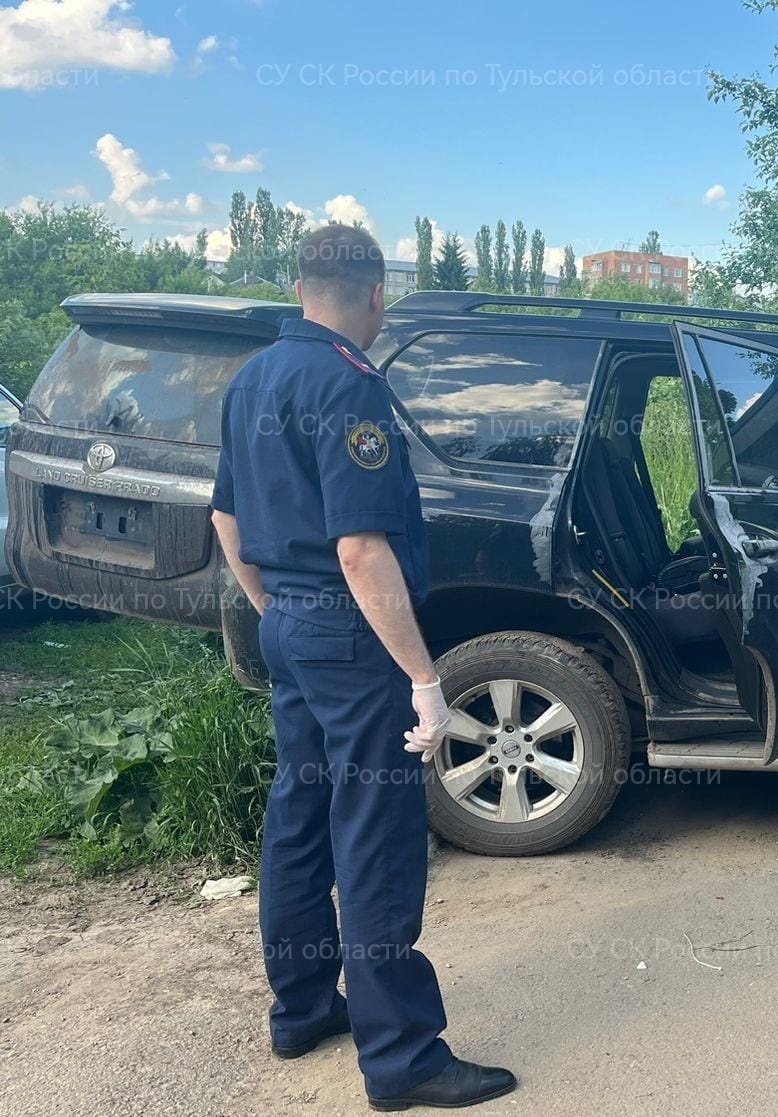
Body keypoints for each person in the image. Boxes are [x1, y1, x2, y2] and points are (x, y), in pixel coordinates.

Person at [210, 224, 516, 1111]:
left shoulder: (252, 378)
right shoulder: (349, 383)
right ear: (375, 294)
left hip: (292, 630)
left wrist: (277, 613)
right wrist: (423, 675)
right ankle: (402, 1058)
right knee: (375, 836)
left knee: (300, 817)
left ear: (302, 283)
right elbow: (359, 550)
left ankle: (302, 1008)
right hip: (351, 635)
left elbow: (226, 520)